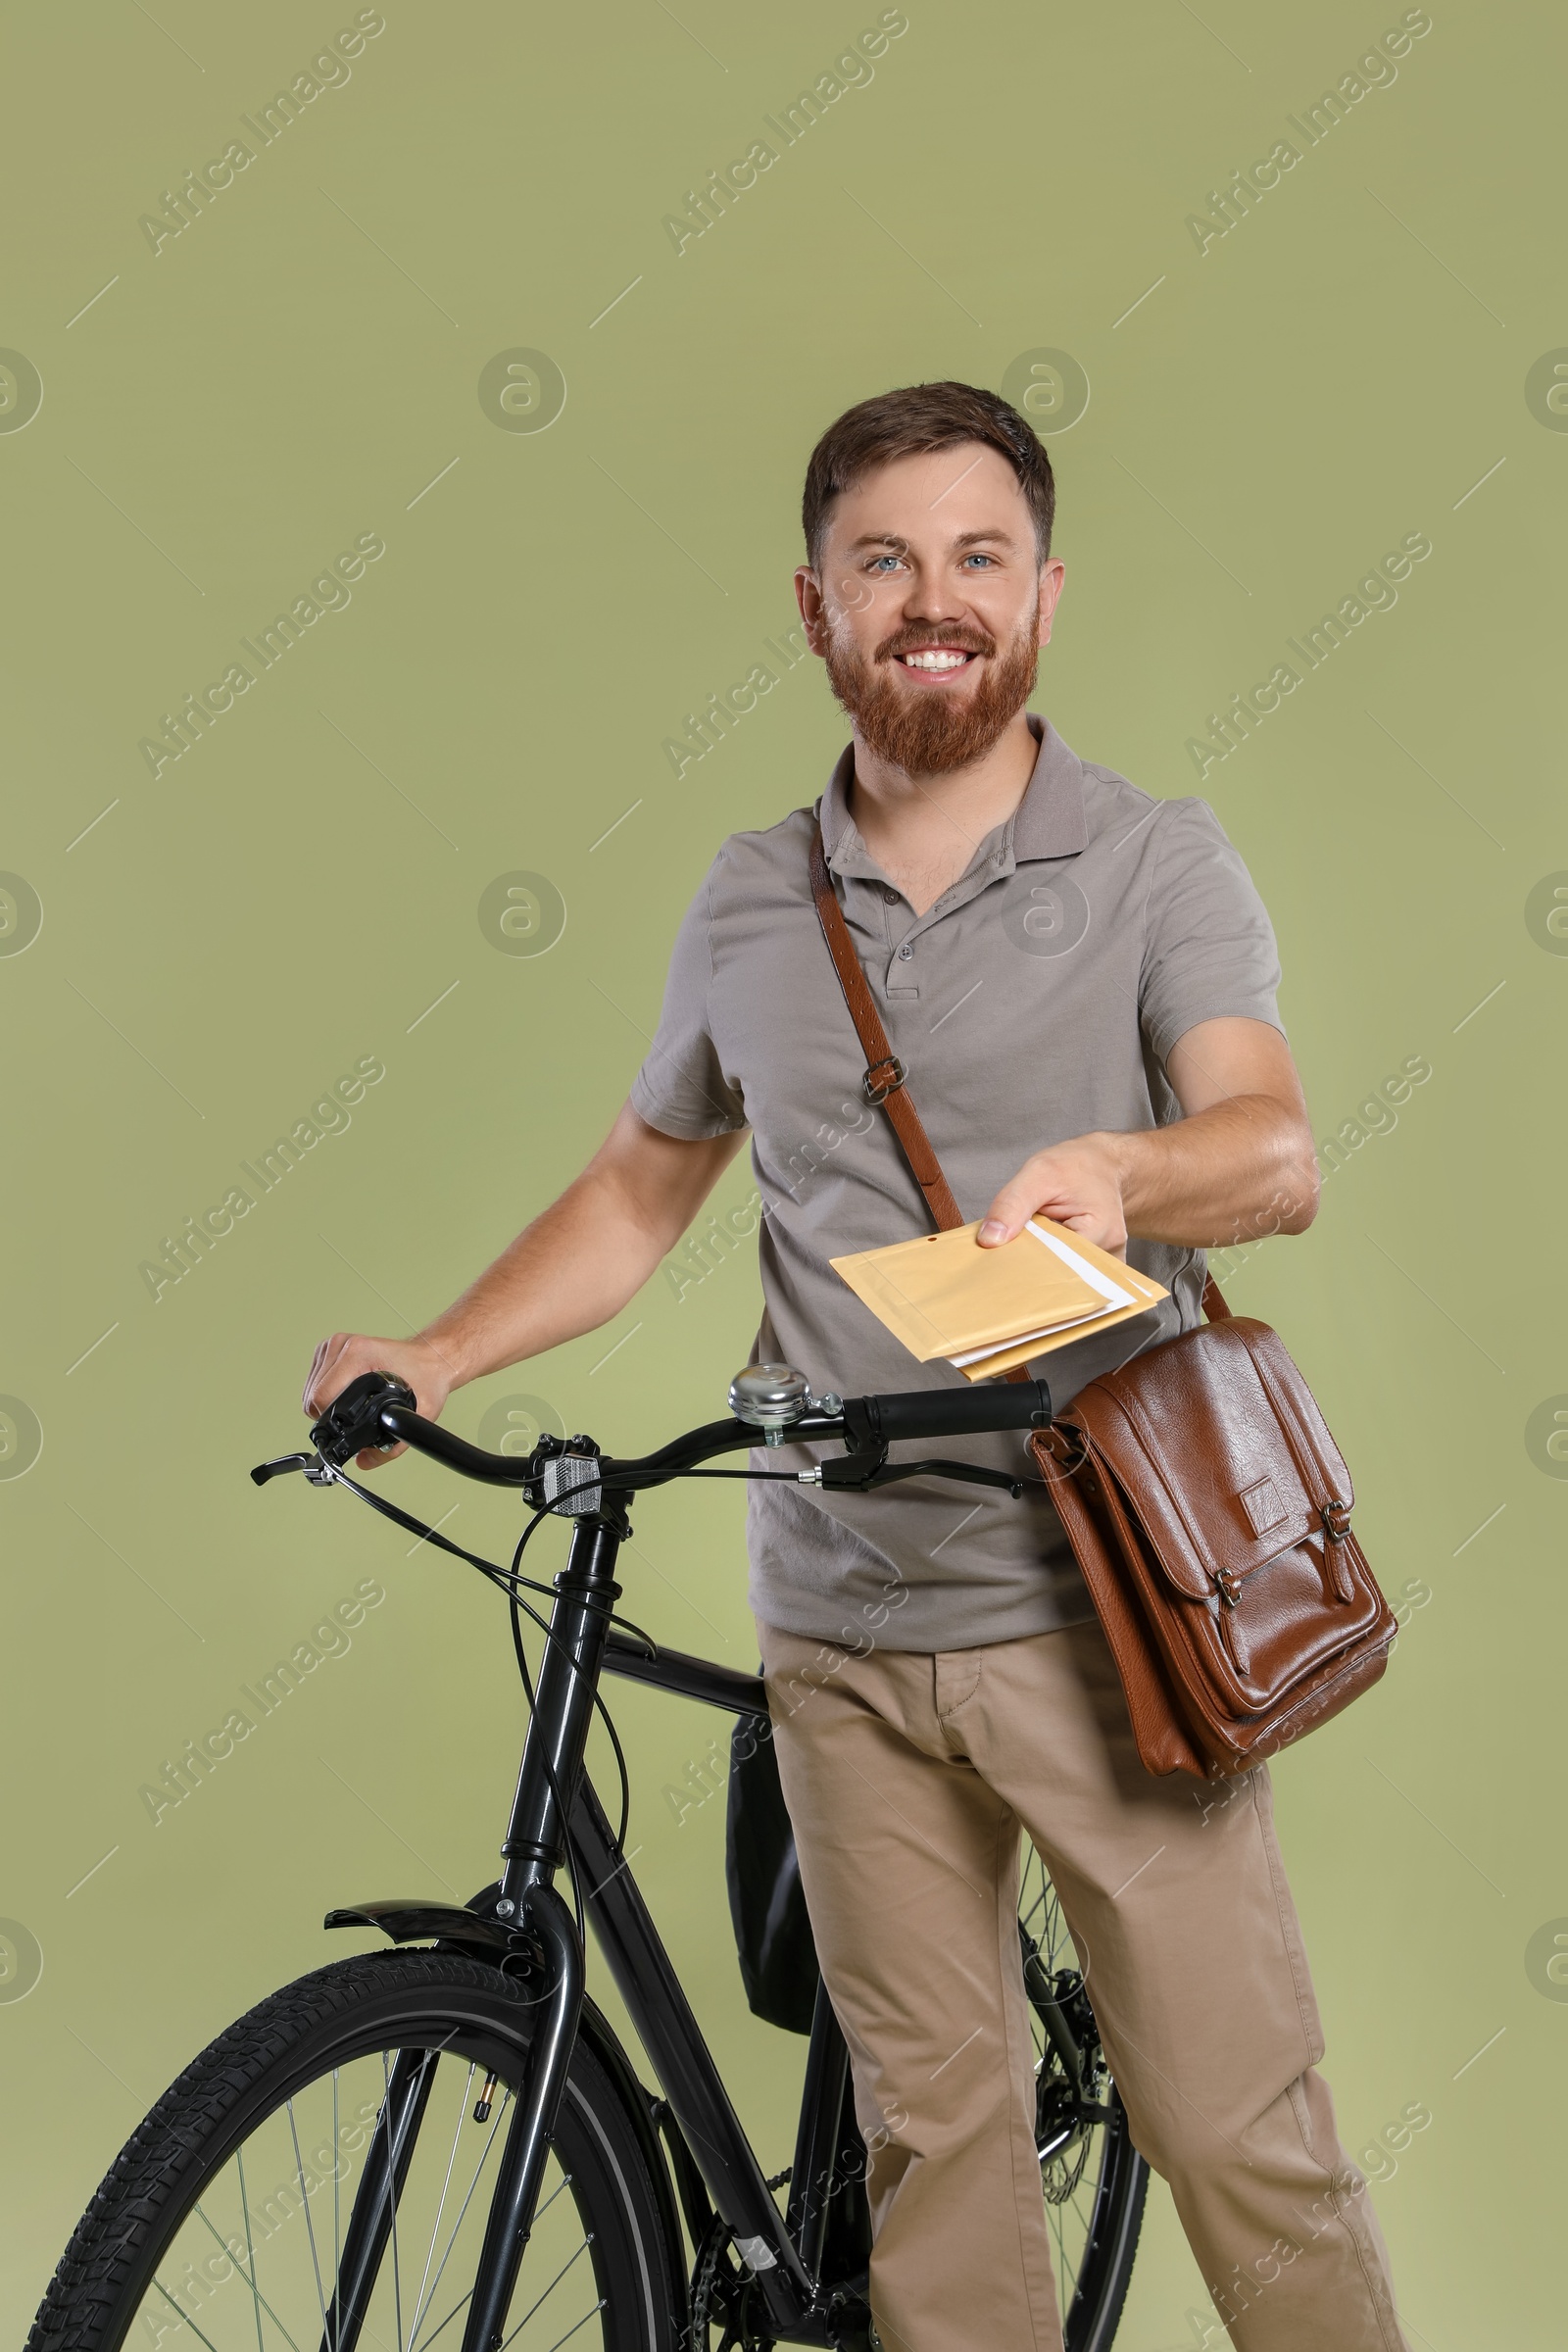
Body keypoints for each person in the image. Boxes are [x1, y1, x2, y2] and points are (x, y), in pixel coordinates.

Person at [304, 381, 1407, 2352]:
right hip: (832, 1621)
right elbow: (636, 1193)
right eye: (882, 561)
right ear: (811, 607)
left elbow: (1274, 1152)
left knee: (1240, 2144)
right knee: (930, 2149)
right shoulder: (748, 899)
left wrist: (1116, 1168)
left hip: (1105, 1623)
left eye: (976, 558)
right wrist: (442, 1348)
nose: (932, 599)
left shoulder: (1154, 864)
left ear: (1041, 598)